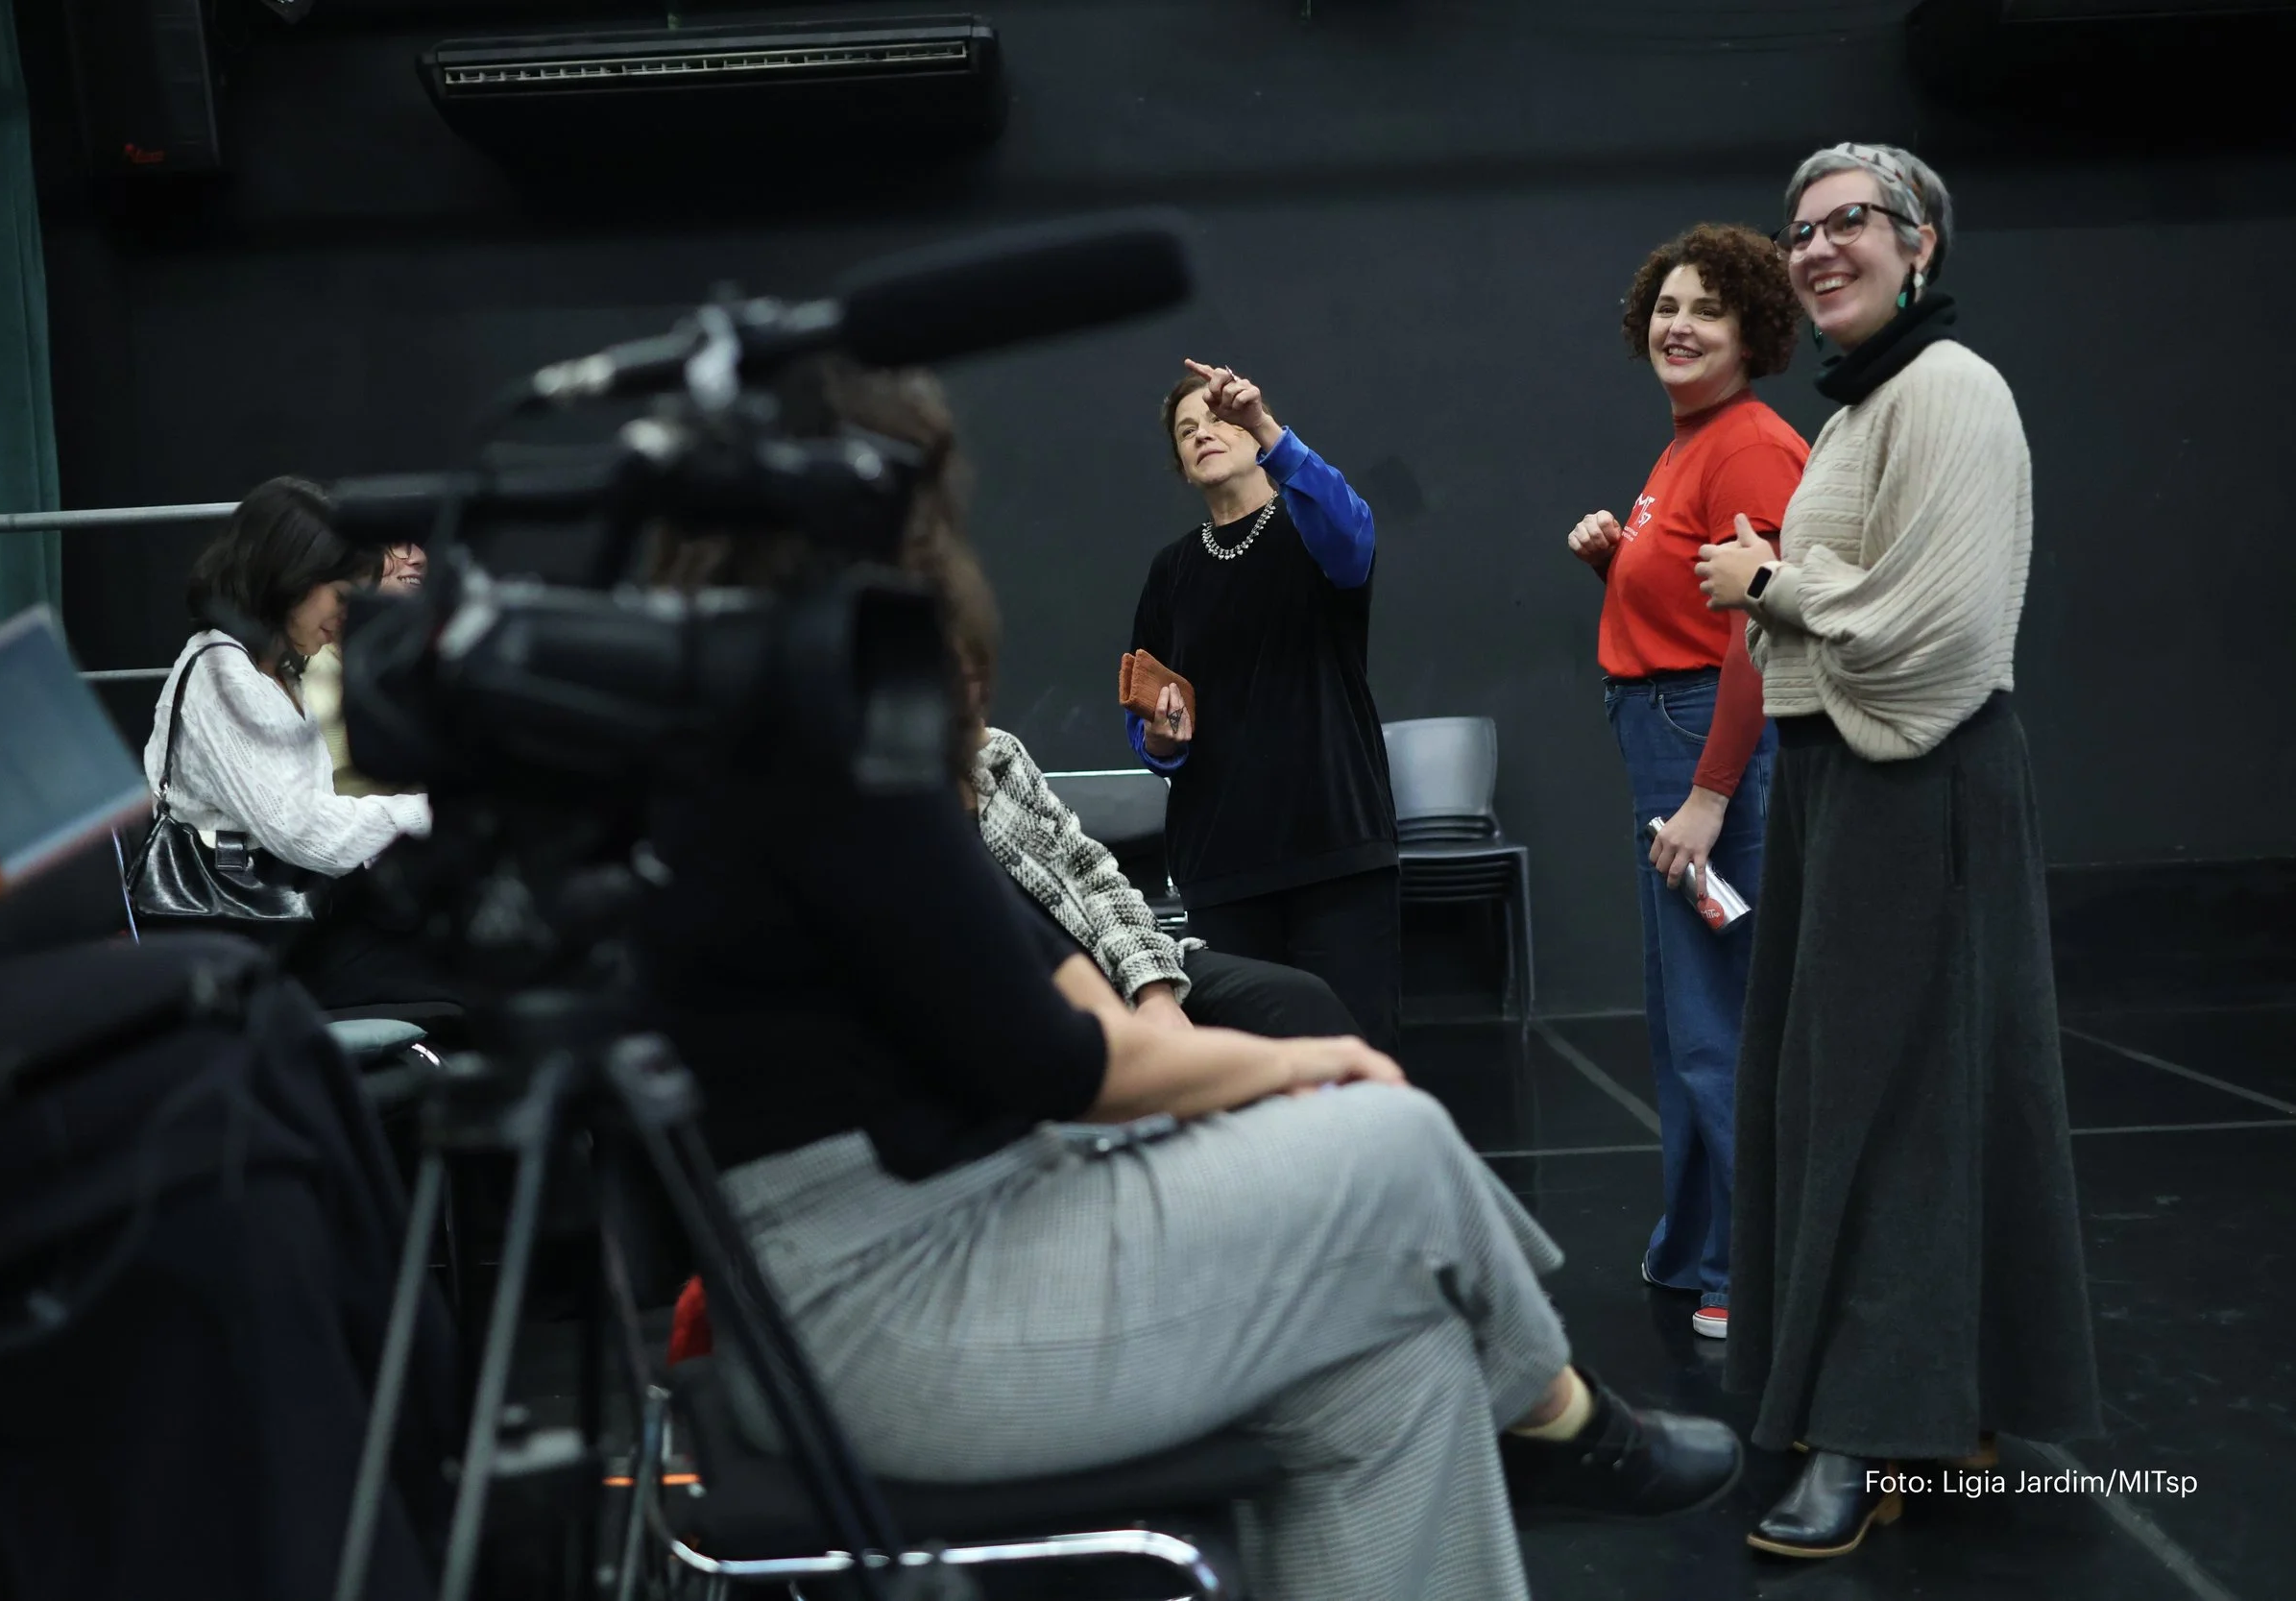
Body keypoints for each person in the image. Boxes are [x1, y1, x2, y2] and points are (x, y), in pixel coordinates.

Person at [640, 357, 1744, 1601]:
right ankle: (1560, 1408)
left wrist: (1186, 1033)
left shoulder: (759, 730)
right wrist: (1307, 1063)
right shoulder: (828, 745)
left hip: (942, 1234)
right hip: (890, 1312)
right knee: (1391, 1135)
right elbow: (1060, 1057)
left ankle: (1518, 1404)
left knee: (1397, 1369)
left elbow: (1042, 969)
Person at [1694, 143, 2101, 1558]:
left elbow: (1942, 632)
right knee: (1873, 1091)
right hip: (1841, 784)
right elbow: (1851, 604)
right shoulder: (1871, 404)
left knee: (1889, 1106)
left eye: (1848, 223)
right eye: (1798, 230)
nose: (1814, 248)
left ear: (1920, 243)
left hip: (1911, 776)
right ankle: (1942, 1402)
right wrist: (1782, 592)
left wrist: (1774, 585)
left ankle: (1870, 1429)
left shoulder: (1951, 389)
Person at [1565, 224, 1809, 1342]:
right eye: (1667, 304)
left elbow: (1758, 633)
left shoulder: (1750, 445)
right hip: (1663, 730)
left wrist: (1711, 792)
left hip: (1698, 741)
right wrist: (1621, 562)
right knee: (1682, 1020)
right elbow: (1698, 595)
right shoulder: (1687, 444)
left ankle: (1743, 1269)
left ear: (1751, 329)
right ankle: (1692, 1245)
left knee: (1720, 1019)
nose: (1680, 324)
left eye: (1708, 308)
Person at [948, 571, 1359, 1039]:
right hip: (1036, 1007)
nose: (975, 700)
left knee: (1299, 1000)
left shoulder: (1000, 757)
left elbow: (1094, 878)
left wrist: (1155, 992)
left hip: (1116, 964)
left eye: (978, 678)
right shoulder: (888, 813)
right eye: (954, 683)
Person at [1126, 361, 1401, 1054]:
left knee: (1356, 1062)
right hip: (1220, 862)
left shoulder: (1311, 528)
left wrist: (1266, 424)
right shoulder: (1172, 569)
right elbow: (1147, 719)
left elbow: (1353, 530)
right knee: (1251, 1075)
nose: (1202, 435)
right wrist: (1161, 736)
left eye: (1216, 419)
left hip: (1334, 847)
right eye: (1187, 431)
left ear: (1254, 436)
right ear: (1183, 467)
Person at [144, 479, 448, 1009]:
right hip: (247, 944)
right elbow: (302, 832)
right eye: (342, 597)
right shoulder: (222, 675)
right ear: (289, 578)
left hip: (298, 923)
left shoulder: (275, 670)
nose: (347, 618)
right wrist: (425, 814)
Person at [305, 541, 426, 797]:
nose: (418, 558)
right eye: (399, 543)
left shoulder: (433, 657)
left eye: (421, 544)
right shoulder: (298, 661)